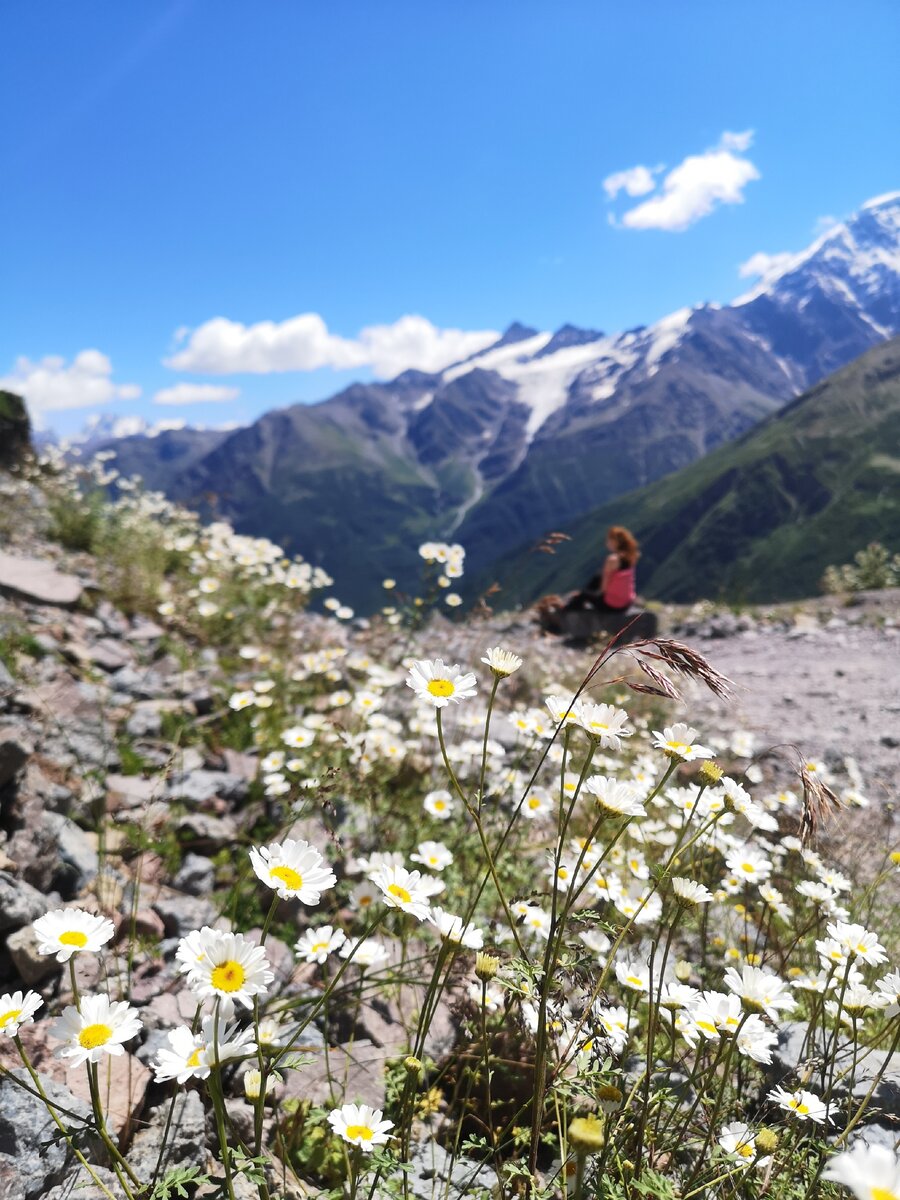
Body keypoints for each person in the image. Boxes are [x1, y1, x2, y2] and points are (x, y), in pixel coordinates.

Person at [563, 525, 639, 614]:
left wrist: (585, 594)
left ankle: (566, 612)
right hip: (627, 603)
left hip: (612, 606)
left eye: (608, 540)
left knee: (583, 595)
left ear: (615, 542)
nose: (606, 543)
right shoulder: (630, 557)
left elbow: (604, 589)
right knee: (598, 577)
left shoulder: (612, 559)